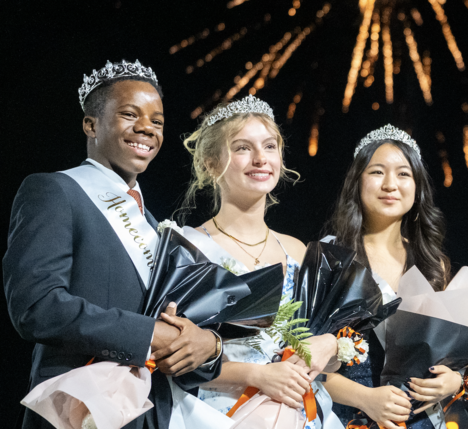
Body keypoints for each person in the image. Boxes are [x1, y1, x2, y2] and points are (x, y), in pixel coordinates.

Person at [4, 60, 221, 429]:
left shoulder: (154, 226)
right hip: (79, 409)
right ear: (91, 124)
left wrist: (209, 346)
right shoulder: (54, 191)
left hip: (154, 414)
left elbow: (180, 329)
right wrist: (149, 335)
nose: (146, 128)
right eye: (129, 114)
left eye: (157, 121)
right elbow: (37, 307)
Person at [177, 94, 343, 428]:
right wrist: (259, 375)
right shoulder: (189, 248)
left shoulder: (297, 251)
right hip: (222, 415)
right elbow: (174, 358)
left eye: (269, 146)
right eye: (242, 148)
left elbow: (330, 361)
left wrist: (330, 344)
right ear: (211, 163)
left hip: (305, 414)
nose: (260, 159)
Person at [323, 124, 458, 429]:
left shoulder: (432, 263)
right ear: (356, 182)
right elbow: (302, 360)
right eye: (376, 172)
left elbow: (448, 352)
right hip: (351, 417)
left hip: (422, 419)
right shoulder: (331, 257)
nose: (390, 184)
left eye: (403, 174)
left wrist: (453, 378)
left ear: (417, 188)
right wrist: (365, 398)